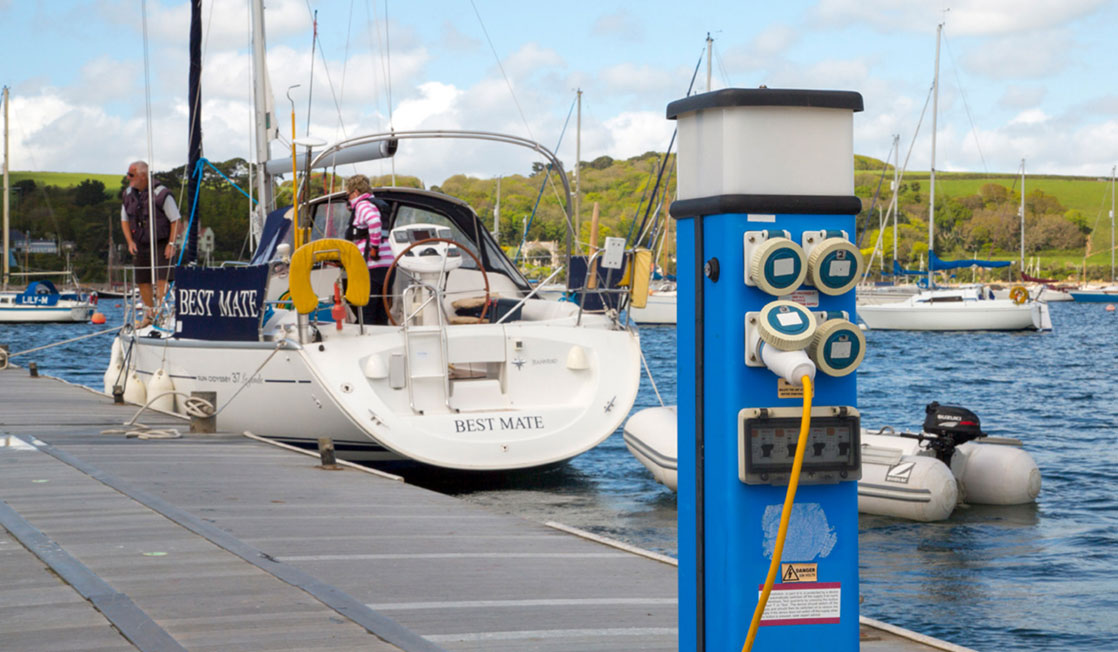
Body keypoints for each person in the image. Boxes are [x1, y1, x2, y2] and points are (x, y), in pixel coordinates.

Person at [120, 161, 181, 326]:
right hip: (140, 243)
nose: (128, 178)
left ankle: (161, 313)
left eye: (131, 175)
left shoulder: (161, 194)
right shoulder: (127, 195)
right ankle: (149, 314)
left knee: (162, 279)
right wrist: (130, 241)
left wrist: (171, 244)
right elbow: (124, 220)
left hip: (161, 242)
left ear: (142, 176)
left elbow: (175, 219)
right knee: (143, 279)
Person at [345, 175, 395, 324]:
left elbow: (373, 221)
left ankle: (366, 343)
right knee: (382, 313)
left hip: (372, 266)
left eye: (347, 195)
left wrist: (374, 248)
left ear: (355, 192)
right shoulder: (376, 204)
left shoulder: (362, 205)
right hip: (388, 266)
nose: (348, 199)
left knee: (367, 313)